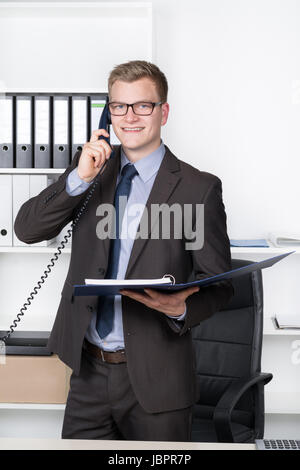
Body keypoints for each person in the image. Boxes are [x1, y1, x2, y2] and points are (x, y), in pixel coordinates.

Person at [14, 60, 233, 441]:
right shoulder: (91, 170)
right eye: (119, 106)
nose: (129, 117)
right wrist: (78, 178)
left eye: (142, 106)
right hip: (88, 376)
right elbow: (27, 229)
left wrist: (180, 308)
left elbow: (220, 285)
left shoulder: (198, 189)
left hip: (158, 379)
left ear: (163, 112)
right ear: (108, 112)